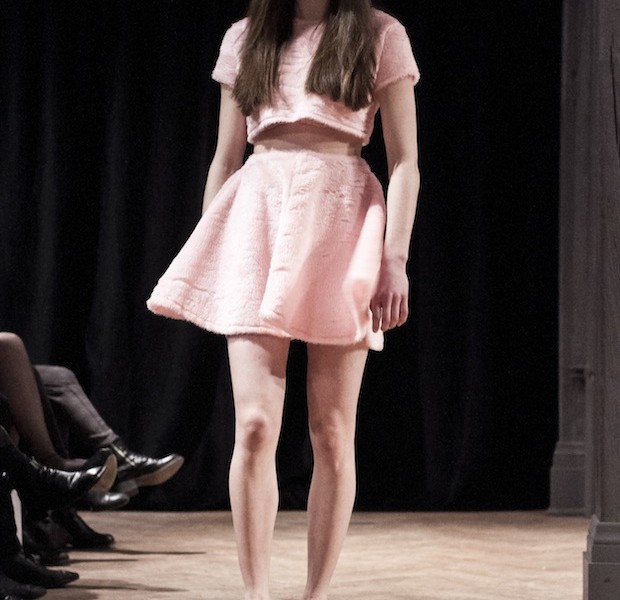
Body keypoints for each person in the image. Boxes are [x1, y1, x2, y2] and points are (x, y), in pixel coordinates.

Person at [147, 0, 420, 598]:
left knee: (331, 430)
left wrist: (394, 259)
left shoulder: (380, 33)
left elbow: (405, 163)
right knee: (253, 424)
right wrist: (214, 249)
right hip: (258, 219)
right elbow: (225, 159)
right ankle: (257, 593)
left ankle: (315, 593)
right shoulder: (245, 37)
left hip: (342, 215)